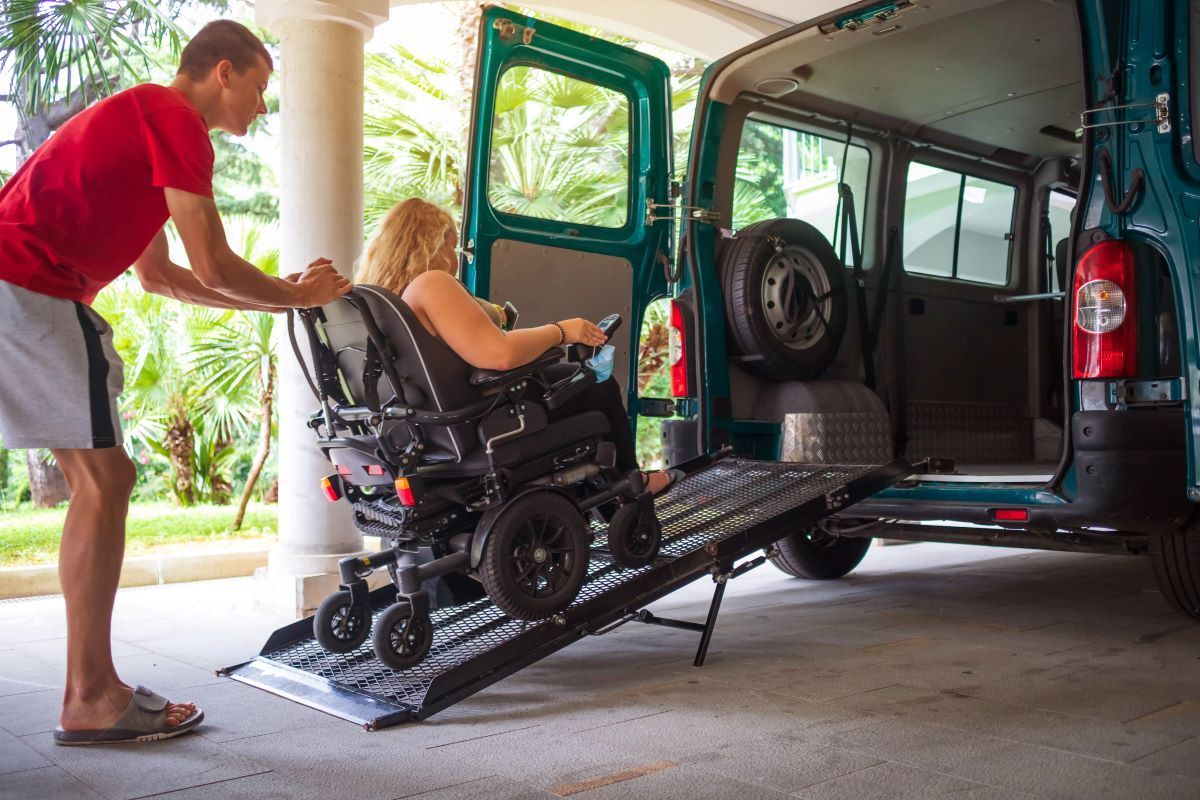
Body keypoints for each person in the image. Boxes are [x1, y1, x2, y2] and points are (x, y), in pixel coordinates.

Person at [0, 21, 350, 745]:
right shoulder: (174, 120)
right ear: (224, 72)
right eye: (258, 87)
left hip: (20, 285)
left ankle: (89, 690)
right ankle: (91, 696)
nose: (261, 106)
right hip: (29, 284)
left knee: (102, 480)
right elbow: (217, 267)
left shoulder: (143, 125)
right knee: (107, 481)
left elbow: (164, 278)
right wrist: (300, 298)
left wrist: (278, 292)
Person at [354, 198, 676, 492]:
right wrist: (563, 331)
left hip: (424, 430)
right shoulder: (431, 284)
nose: (455, 259)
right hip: (482, 415)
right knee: (597, 384)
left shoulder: (377, 300)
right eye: (451, 247)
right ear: (432, 245)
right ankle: (631, 483)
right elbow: (501, 355)